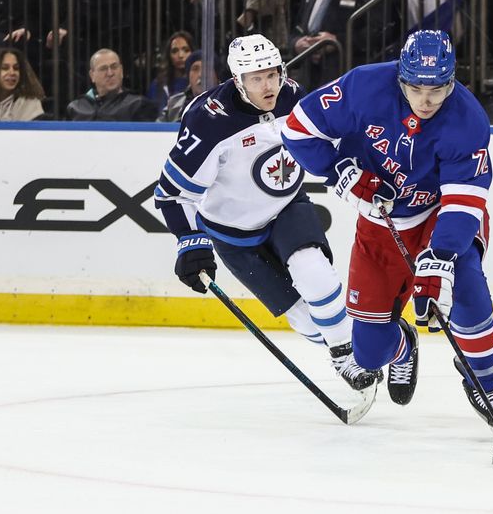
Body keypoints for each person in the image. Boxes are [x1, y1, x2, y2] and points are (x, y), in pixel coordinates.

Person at [282, 30, 493, 436]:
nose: (426, 100)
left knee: (466, 285)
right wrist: (340, 169)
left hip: (438, 217)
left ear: (452, 81)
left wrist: (440, 257)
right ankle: (402, 345)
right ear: (400, 78)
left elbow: (463, 202)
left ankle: (487, 387)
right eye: (416, 88)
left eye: (437, 89)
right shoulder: (364, 85)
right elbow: (297, 129)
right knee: (369, 354)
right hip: (380, 223)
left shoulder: (468, 118)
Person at [153, 34, 380, 392]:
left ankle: (347, 356)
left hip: (287, 206)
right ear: (237, 80)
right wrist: (190, 242)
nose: (268, 85)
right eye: (256, 78)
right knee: (303, 319)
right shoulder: (208, 120)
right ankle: (366, 344)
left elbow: (332, 137)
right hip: (232, 234)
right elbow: (170, 194)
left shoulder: (293, 94)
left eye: (272, 74)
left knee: (314, 272)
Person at [66, 48, 158, 121]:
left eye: (114, 67)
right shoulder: (76, 107)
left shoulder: (138, 105)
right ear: (92, 75)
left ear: (121, 71)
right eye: (103, 69)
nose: (110, 73)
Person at [157, 49, 216, 122]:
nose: (201, 74)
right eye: (195, 69)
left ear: (217, 76)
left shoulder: (229, 103)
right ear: (188, 77)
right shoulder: (174, 103)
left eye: (207, 69)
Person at [147, 31, 194, 112]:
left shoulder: (200, 83)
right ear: (169, 56)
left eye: (186, 50)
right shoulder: (158, 85)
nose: (180, 55)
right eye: (175, 51)